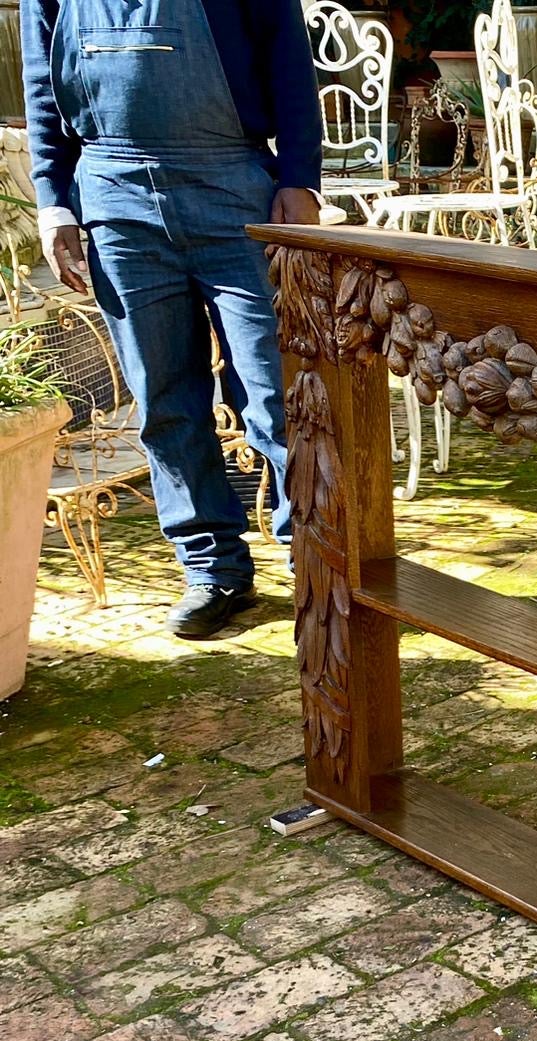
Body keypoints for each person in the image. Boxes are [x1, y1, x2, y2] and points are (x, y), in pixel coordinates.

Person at [21, 0, 324, 638]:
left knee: (278, 392)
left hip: (234, 187)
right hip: (112, 190)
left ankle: (320, 559)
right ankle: (212, 568)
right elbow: (42, 85)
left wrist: (300, 176)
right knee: (163, 397)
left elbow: (289, 62)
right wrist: (52, 202)